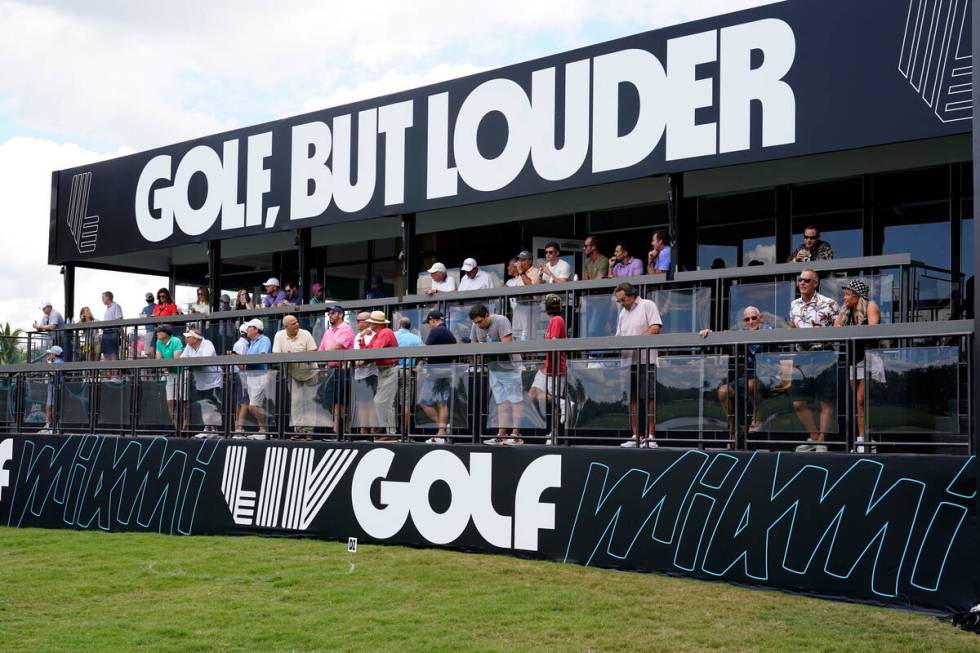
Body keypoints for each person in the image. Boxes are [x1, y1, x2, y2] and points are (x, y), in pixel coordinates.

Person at [786, 268, 839, 452]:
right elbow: (792, 326)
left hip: (824, 354)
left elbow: (839, 329)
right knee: (798, 401)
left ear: (815, 283)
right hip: (801, 357)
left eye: (806, 280)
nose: (802, 283)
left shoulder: (829, 303)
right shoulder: (794, 304)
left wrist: (824, 334)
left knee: (825, 400)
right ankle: (814, 436)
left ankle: (821, 440)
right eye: (800, 280)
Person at [699, 306, 773, 435]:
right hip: (749, 376)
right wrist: (710, 333)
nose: (751, 322)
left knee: (751, 385)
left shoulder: (769, 330)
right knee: (723, 391)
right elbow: (725, 335)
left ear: (760, 319)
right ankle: (734, 426)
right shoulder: (742, 332)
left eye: (754, 318)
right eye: (747, 319)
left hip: (770, 376)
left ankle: (758, 419)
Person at [613, 282, 662, 448]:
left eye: (622, 299)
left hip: (646, 360)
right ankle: (635, 436)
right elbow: (619, 336)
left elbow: (655, 327)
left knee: (649, 398)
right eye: (619, 301)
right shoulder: (622, 313)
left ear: (631, 295)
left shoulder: (647, 305)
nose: (621, 303)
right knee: (632, 399)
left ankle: (651, 436)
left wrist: (637, 342)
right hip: (628, 362)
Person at [834, 279, 881, 450]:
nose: (844, 298)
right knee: (857, 402)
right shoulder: (846, 311)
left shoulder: (870, 306)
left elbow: (872, 331)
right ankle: (862, 438)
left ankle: (868, 438)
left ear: (857, 295)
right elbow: (836, 328)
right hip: (853, 359)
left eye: (847, 294)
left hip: (868, 358)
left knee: (863, 400)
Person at [469, 303, 523, 445]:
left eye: (480, 321)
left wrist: (484, 347)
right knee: (501, 402)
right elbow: (473, 345)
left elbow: (506, 344)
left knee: (515, 401)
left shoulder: (501, 320)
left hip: (510, 367)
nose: (478, 325)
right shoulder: (476, 325)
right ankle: (501, 435)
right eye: (476, 323)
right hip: (494, 368)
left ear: (487, 315)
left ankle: (516, 435)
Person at [273, 315, 320, 440]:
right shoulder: (279, 335)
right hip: (293, 373)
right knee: (296, 402)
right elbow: (276, 354)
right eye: (293, 323)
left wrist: (294, 355)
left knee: (310, 402)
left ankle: (309, 431)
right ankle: (298, 430)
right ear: (286, 326)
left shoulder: (306, 334)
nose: (297, 325)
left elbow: (313, 351)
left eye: (297, 322)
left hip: (311, 372)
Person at [529, 294, 567, 444]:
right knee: (533, 393)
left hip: (556, 366)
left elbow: (554, 344)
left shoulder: (557, 320)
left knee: (555, 404)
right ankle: (563, 403)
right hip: (548, 366)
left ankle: (555, 434)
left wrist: (550, 366)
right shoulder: (553, 321)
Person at [359, 311, 400, 440]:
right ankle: (386, 430)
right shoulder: (378, 334)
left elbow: (374, 352)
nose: (368, 324)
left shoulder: (385, 332)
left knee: (382, 401)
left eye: (370, 322)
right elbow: (367, 351)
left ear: (375, 324)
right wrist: (361, 339)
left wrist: (363, 360)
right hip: (383, 370)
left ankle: (390, 432)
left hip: (390, 369)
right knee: (382, 402)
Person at [418, 310, 457, 443]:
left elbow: (425, 350)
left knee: (424, 402)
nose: (429, 325)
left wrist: (420, 363)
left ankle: (443, 429)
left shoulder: (436, 331)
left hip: (435, 372)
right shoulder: (449, 333)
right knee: (442, 403)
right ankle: (442, 432)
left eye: (429, 322)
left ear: (433, 320)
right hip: (447, 371)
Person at [319, 305, 355, 436]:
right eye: (329, 313)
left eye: (333, 313)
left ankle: (346, 430)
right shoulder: (328, 332)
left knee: (342, 401)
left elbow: (338, 346)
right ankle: (336, 431)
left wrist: (324, 355)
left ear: (341, 315)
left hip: (343, 370)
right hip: (331, 370)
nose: (330, 315)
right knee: (334, 401)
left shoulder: (346, 328)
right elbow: (321, 350)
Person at [180, 329, 223, 437]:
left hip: (213, 381)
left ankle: (214, 430)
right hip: (200, 382)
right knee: (204, 405)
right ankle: (207, 428)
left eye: (188, 337)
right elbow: (182, 359)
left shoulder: (207, 344)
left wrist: (189, 361)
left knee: (212, 405)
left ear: (195, 338)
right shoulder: (189, 346)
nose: (186, 339)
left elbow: (203, 360)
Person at [239, 318, 272, 438]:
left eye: (249, 327)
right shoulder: (251, 343)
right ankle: (261, 430)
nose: (246, 330)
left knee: (253, 406)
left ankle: (264, 430)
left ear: (256, 329)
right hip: (251, 376)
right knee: (254, 405)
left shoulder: (264, 340)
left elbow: (261, 356)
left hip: (260, 375)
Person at [351, 311, 379, 434]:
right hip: (359, 374)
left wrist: (361, 363)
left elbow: (372, 354)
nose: (357, 322)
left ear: (367, 322)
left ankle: (373, 429)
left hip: (371, 373)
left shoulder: (374, 335)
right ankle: (363, 430)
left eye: (359, 320)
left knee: (370, 402)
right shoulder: (358, 335)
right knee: (360, 402)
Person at [154, 324, 183, 430]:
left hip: (182, 373)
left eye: (159, 332)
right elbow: (158, 360)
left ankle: (184, 427)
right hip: (171, 374)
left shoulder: (176, 341)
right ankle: (176, 427)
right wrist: (164, 365)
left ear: (166, 333)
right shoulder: (158, 342)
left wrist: (164, 365)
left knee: (183, 401)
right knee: (170, 401)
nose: (157, 334)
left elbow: (176, 359)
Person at [39, 345, 64, 434]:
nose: (49, 354)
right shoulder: (56, 361)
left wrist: (49, 362)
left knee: (52, 405)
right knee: (50, 405)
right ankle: (50, 425)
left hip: (55, 385)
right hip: (53, 385)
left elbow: (53, 372)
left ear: (54, 354)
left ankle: (51, 426)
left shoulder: (58, 361)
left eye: (51, 353)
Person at [231, 323, 251, 433]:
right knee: (244, 401)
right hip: (242, 375)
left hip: (239, 375)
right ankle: (239, 428)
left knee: (240, 401)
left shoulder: (241, 343)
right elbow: (239, 361)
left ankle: (237, 427)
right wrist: (245, 370)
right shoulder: (242, 344)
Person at [101, 291, 123, 362]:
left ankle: (115, 373)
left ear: (108, 297)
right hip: (106, 332)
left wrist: (121, 333)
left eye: (103, 297)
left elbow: (119, 320)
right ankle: (108, 373)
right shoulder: (108, 308)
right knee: (106, 354)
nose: (102, 300)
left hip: (113, 332)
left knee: (113, 354)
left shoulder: (116, 306)